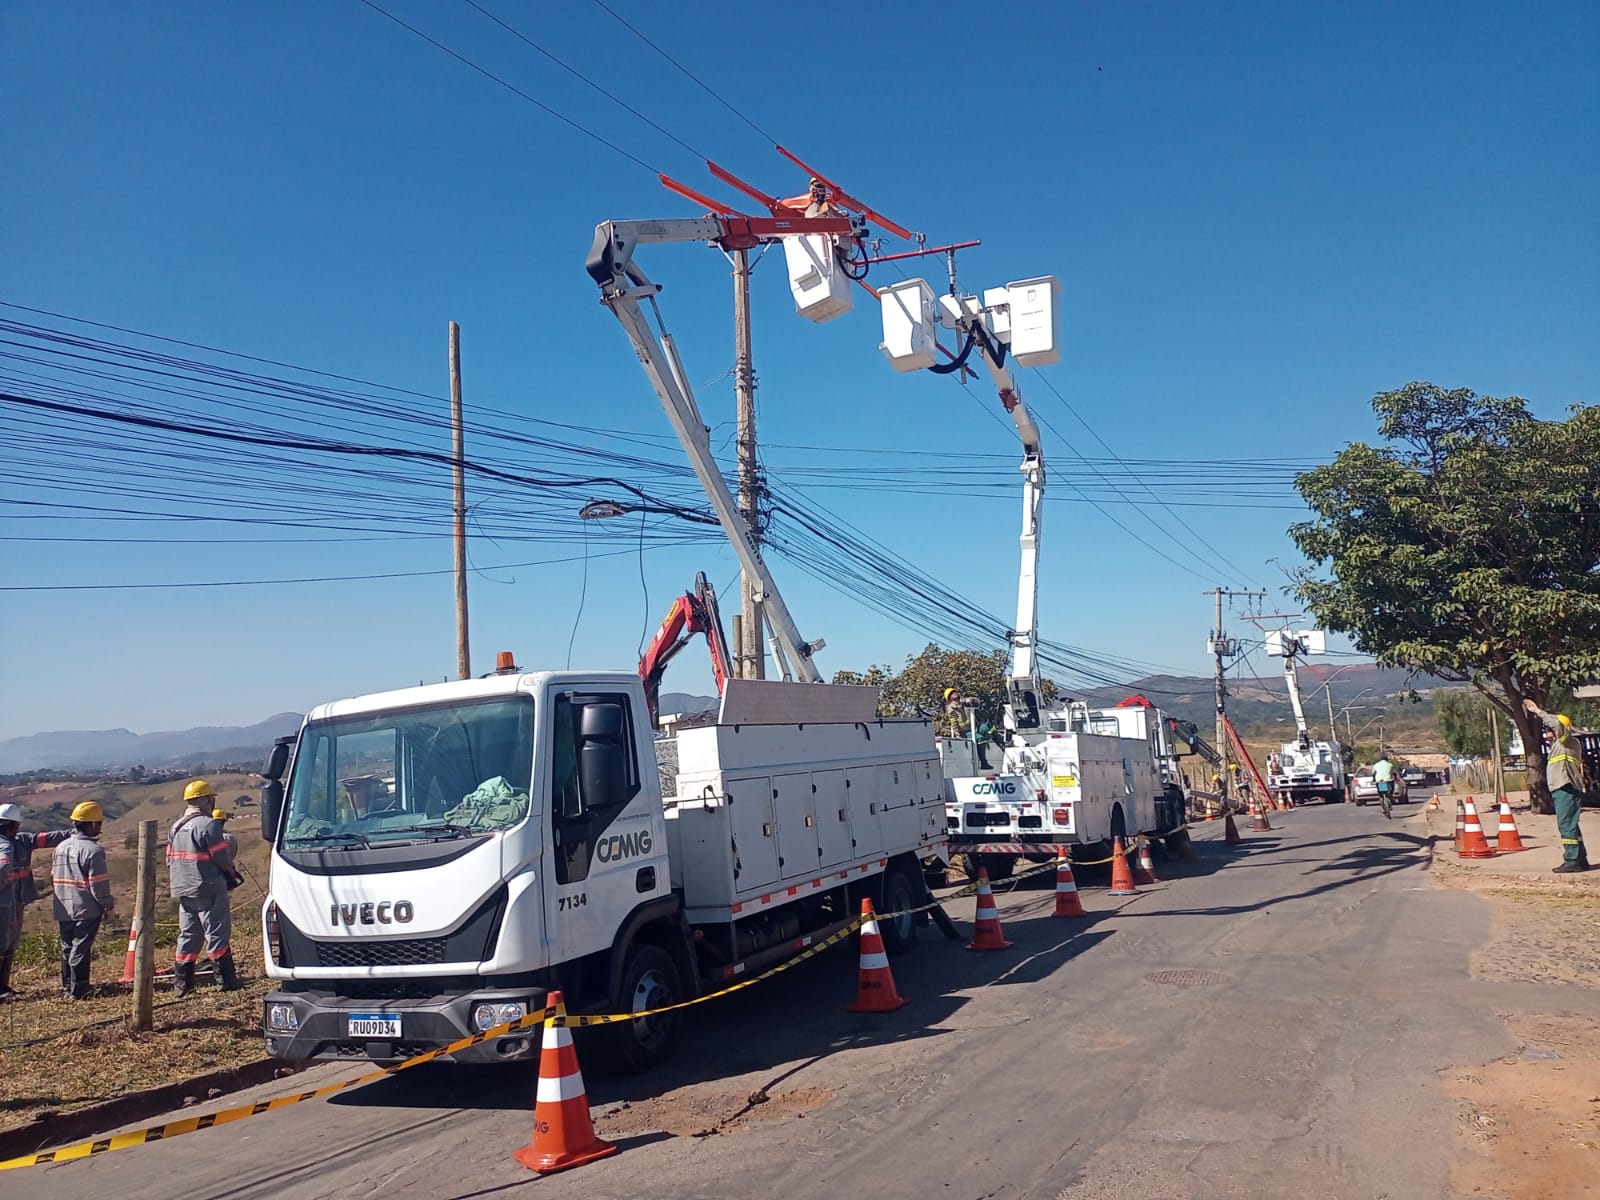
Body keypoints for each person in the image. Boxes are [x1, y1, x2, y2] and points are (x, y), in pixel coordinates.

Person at [167, 779, 242, 995]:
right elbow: (221, 857)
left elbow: (169, 859)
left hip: (183, 887)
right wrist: (230, 872)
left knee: (189, 934)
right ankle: (226, 980)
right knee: (217, 932)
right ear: (206, 800)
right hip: (208, 885)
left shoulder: (175, 826)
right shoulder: (209, 825)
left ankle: (183, 984)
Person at [51, 801, 115, 1000]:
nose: (99, 827)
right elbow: (98, 886)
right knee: (81, 947)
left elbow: (53, 875)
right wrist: (108, 906)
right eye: (98, 823)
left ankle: (67, 987)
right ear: (92, 825)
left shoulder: (61, 847)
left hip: (63, 906)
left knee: (67, 946)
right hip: (86, 907)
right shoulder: (93, 851)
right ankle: (79, 990)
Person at [1523, 699, 1590, 874]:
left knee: (1566, 824)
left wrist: (1538, 711)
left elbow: (1556, 724)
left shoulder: (1567, 740)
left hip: (1565, 786)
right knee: (1571, 824)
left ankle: (1572, 860)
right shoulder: (1561, 746)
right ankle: (1580, 859)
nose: (1547, 733)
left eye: (1549, 730)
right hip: (1562, 787)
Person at [1372, 752, 1396, 819]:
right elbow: (1394, 773)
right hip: (1388, 781)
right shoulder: (1390, 765)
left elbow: (1373, 773)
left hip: (1380, 781)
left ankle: (1382, 809)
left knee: (1381, 795)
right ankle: (1390, 799)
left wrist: (1374, 779)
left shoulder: (1376, 765)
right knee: (1390, 792)